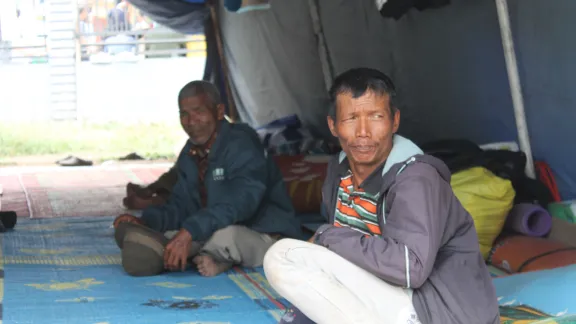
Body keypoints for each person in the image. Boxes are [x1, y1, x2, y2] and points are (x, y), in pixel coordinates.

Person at [263, 68, 500, 324]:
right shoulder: (339, 169)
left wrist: (327, 235)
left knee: (282, 256)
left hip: (439, 311)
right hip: (389, 297)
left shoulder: (417, 177)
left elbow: (411, 270)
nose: (363, 131)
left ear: (394, 121)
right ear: (333, 125)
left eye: (376, 116)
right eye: (351, 118)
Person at [113, 80, 303, 278]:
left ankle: (211, 259)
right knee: (172, 238)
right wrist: (146, 221)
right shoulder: (190, 153)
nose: (190, 121)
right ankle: (180, 252)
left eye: (198, 111)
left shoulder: (242, 144)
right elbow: (180, 205)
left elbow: (241, 203)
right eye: (184, 114)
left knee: (225, 237)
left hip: (265, 234)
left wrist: (189, 232)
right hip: (213, 228)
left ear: (219, 112)